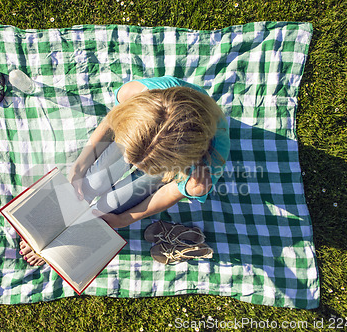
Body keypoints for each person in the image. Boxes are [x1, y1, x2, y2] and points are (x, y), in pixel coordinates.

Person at [20, 76, 230, 266]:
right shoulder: (136, 93)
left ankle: (65, 236)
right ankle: (52, 230)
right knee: (91, 183)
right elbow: (113, 120)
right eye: (131, 156)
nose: (131, 164)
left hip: (179, 152)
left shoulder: (201, 176)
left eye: (144, 166)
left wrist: (124, 220)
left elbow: (168, 192)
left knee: (107, 208)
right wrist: (79, 167)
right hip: (157, 132)